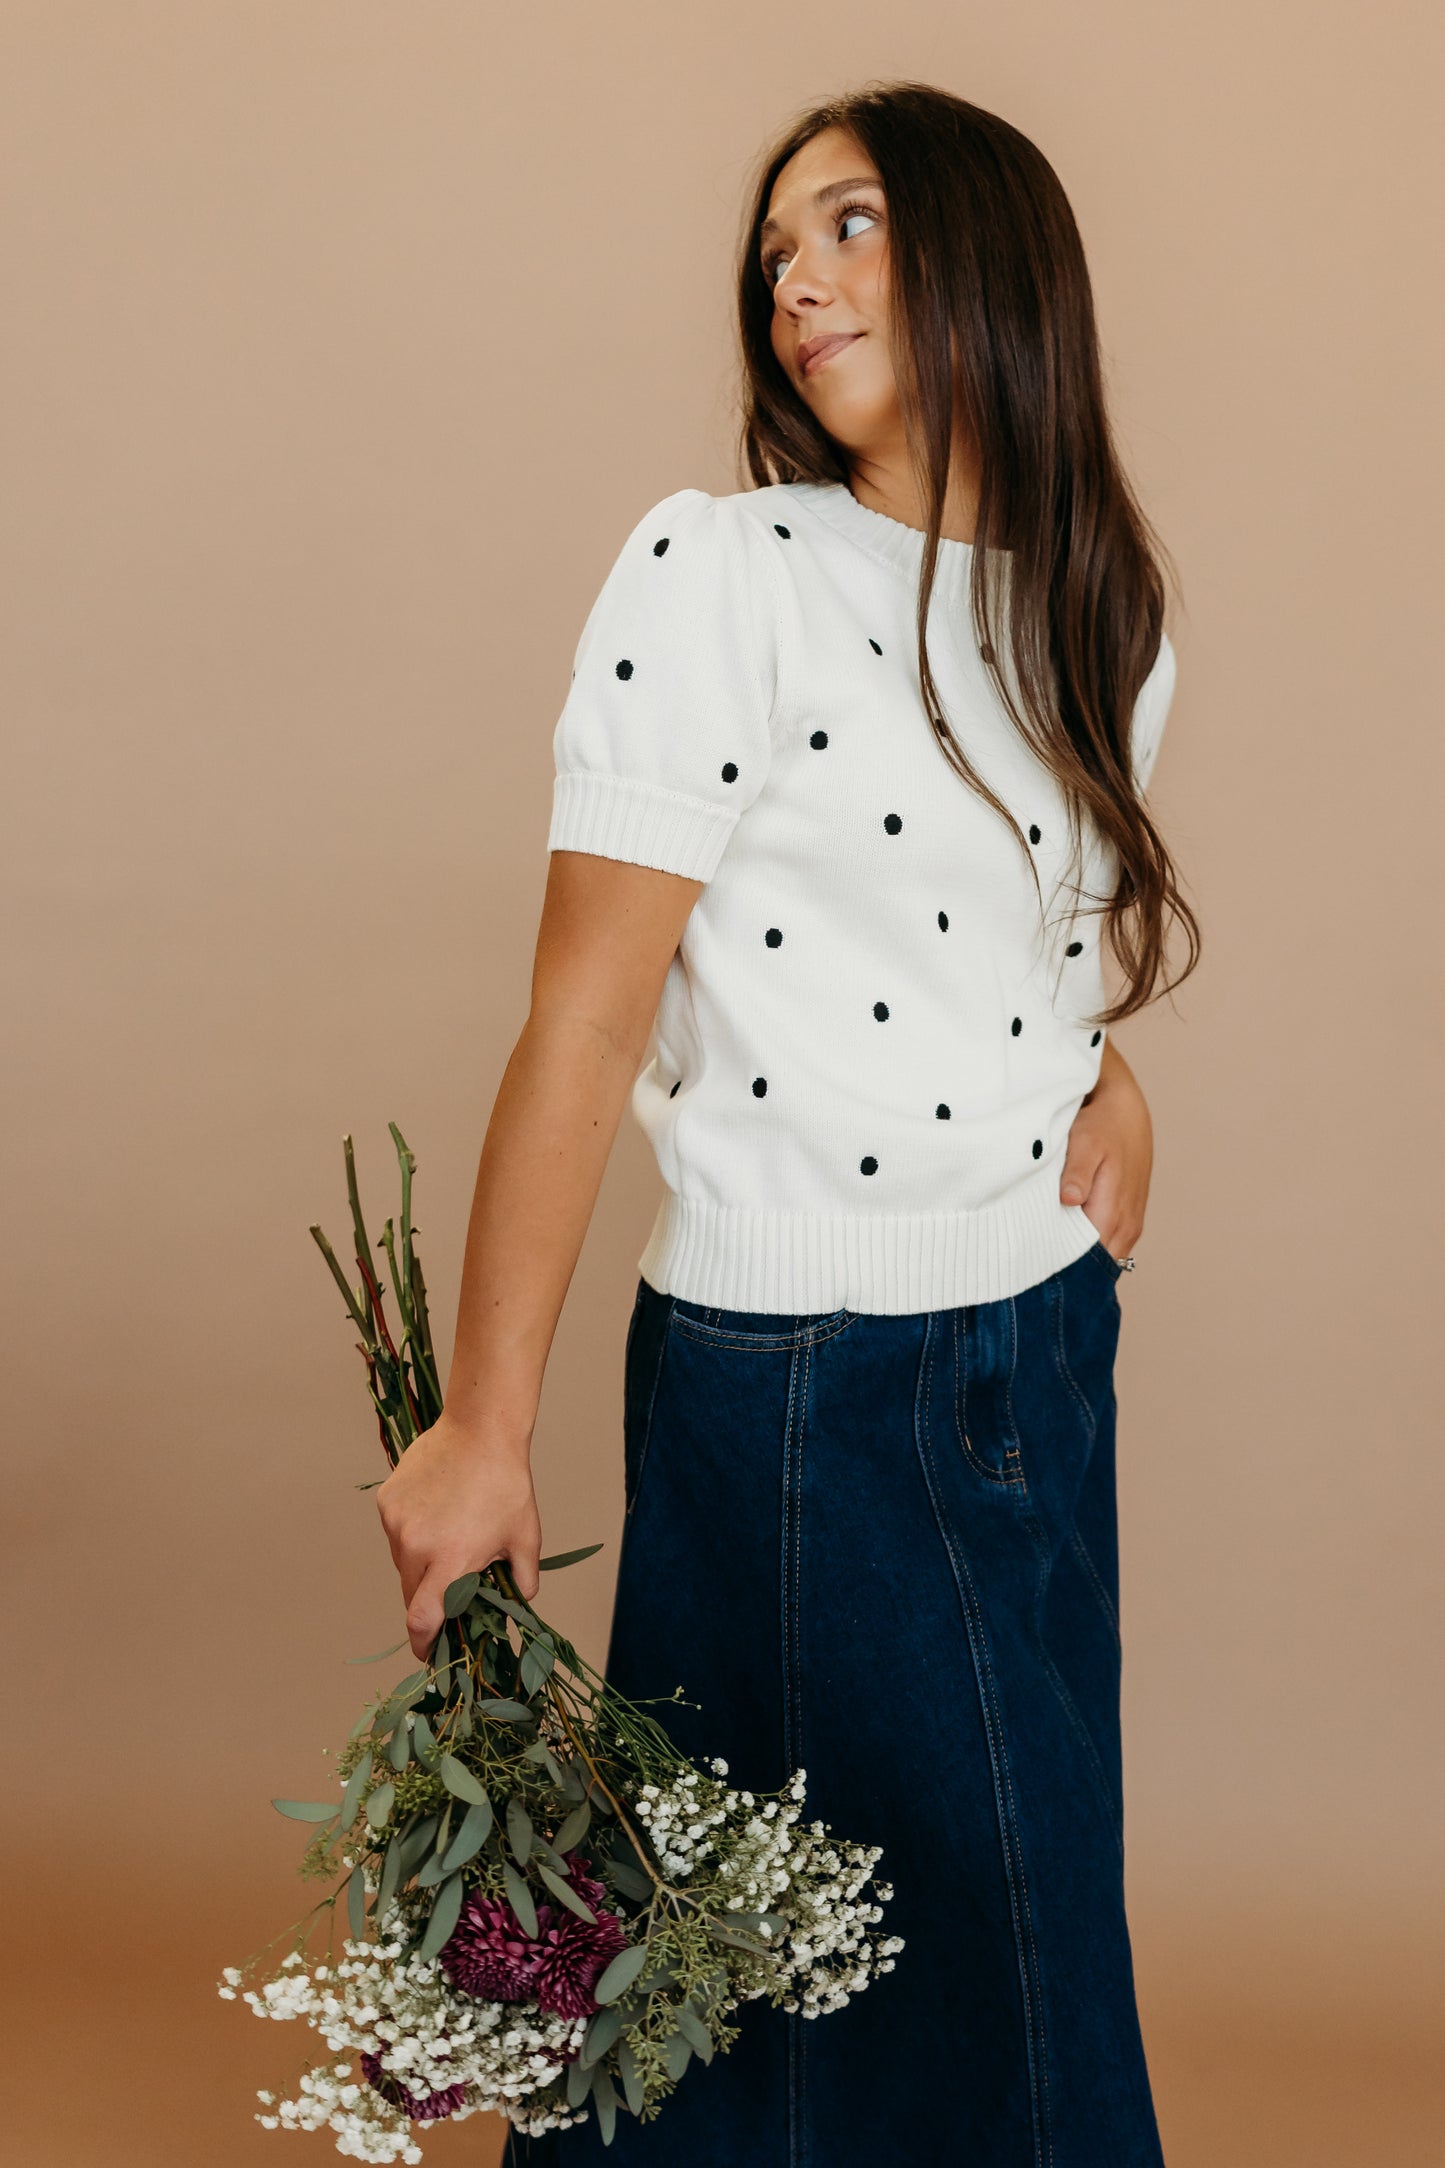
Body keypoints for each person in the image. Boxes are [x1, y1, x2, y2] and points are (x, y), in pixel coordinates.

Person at [377, 79, 1199, 2168]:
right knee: (768, 1991)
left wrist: (1110, 1074)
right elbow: (587, 1010)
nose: (795, 280)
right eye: (774, 252)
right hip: (808, 1390)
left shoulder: (1111, 612)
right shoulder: (718, 570)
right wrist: (487, 1421)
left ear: (986, 246)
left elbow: (1024, 932)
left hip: (1037, 1357)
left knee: (980, 1958)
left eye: (847, 226)